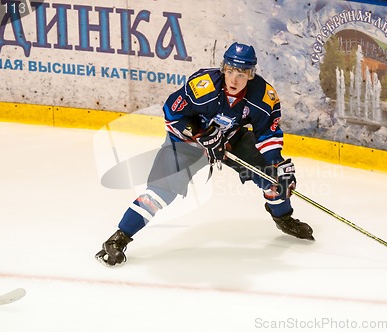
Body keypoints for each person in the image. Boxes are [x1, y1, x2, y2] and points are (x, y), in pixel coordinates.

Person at [95, 42, 314, 267]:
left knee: (275, 179)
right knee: (160, 193)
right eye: (230, 71)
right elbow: (172, 113)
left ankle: (284, 218)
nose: (234, 79)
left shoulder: (263, 97)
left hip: (231, 140)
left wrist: (276, 164)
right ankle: (119, 238)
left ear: (251, 74)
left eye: (241, 73)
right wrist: (199, 134)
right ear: (223, 68)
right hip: (187, 143)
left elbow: (268, 136)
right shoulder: (203, 86)